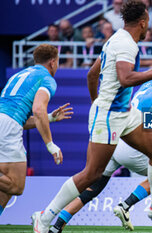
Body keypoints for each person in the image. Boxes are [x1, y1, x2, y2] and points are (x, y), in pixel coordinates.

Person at [32, 2, 152, 232]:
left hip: (124, 113)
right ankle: (45, 217)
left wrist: (96, 101)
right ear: (143, 23)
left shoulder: (115, 39)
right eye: (148, 24)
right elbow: (125, 79)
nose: (148, 28)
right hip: (109, 116)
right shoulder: (126, 45)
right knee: (91, 175)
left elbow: (92, 74)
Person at [48, 57, 152, 233]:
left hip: (116, 140)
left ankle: (57, 224)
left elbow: (149, 121)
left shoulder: (144, 87)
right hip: (134, 146)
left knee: (93, 186)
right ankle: (126, 205)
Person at [0, 44, 73, 216]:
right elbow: (38, 109)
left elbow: (21, 119)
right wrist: (50, 145)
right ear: (53, 62)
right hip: (8, 128)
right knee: (16, 185)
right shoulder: (47, 78)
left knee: (7, 187)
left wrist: (50, 118)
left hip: (6, 122)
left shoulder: (20, 74)